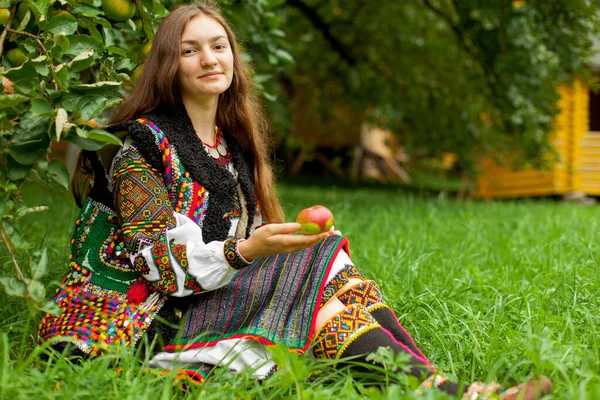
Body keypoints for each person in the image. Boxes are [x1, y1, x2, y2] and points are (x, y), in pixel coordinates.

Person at [38, 3, 551, 399]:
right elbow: (157, 267)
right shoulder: (139, 148)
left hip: (198, 293)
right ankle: (449, 392)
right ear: (168, 65)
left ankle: (445, 386)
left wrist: (269, 245)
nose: (209, 59)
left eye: (219, 45)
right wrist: (248, 252)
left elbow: (244, 242)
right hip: (133, 319)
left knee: (325, 267)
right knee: (313, 287)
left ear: (234, 57)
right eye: (190, 49)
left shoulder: (230, 145)